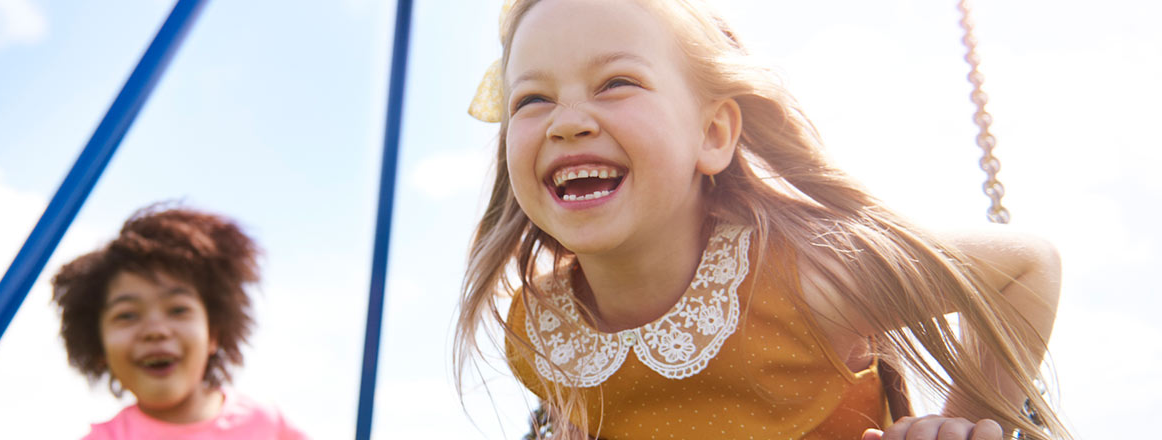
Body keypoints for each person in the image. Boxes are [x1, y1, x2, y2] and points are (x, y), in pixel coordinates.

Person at [453, 1, 1069, 439]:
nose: (567, 121)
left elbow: (1026, 264)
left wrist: (959, 417)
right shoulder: (541, 328)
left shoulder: (802, 281)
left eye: (616, 83)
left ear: (713, 133)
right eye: (532, 99)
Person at [52, 204, 307, 440]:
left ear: (213, 334)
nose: (155, 331)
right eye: (127, 315)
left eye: (178, 310)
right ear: (99, 347)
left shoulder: (268, 424)